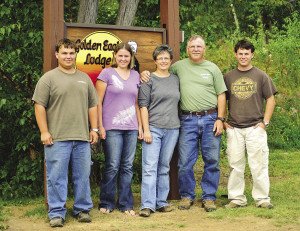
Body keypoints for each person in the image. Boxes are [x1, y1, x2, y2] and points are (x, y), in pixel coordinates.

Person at [141, 35, 227, 212]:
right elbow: (160, 72)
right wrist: (144, 73)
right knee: (185, 161)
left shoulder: (213, 68)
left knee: (212, 160)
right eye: (192, 46)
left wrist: (220, 118)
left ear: (204, 49)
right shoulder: (178, 67)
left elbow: (221, 94)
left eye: (199, 46)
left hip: (210, 118)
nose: (196, 49)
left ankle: (209, 197)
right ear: (187, 49)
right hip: (187, 120)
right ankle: (187, 195)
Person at [32, 38, 98, 227]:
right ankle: (56, 212)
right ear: (57, 55)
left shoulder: (84, 78)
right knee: (56, 177)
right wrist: (44, 132)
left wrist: (93, 129)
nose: (68, 56)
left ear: (75, 54)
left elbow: (92, 105)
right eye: (64, 53)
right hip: (57, 137)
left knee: (82, 176)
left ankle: (82, 209)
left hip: (82, 137)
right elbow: (39, 106)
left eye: (71, 53)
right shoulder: (48, 78)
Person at [224, 39, 277, 209]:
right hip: (234, 128)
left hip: (255, 127)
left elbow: (271, 99)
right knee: (235, 165)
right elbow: (220, 99)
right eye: (240, 53)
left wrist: (265, 122)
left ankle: (262, 198)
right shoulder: (228, 76)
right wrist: (224, 121)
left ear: (252, 55)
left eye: (247, 53)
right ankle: (237, 198)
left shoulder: (261, 76)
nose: (243, 56)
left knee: (259, 164)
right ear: (235, 54)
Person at [96, 42, 143, 216]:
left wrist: (139, 127)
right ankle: (106, 202)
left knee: (127, 166)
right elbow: (97, 102)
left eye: (126, 56)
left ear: (131, 57)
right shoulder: (106, 73)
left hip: (131, 127)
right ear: (115, 56)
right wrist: (100, 125)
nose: (123, 58)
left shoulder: (136, 75)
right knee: (113, 165)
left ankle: (125, 203)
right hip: (111, 127)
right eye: (120, 55)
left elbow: (137, 104)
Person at [138, 45, 180, 217]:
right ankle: (147, 205)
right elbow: (143, 105)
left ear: (171, 61)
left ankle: (161, 201)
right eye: (160, 58)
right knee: (149, 167)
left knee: (164, 166)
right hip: (153, 128)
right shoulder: (149, 79)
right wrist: (146, 130)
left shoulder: (176, 79)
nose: (163, 61)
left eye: (166, 58)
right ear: (155, 61)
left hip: (172, 128)